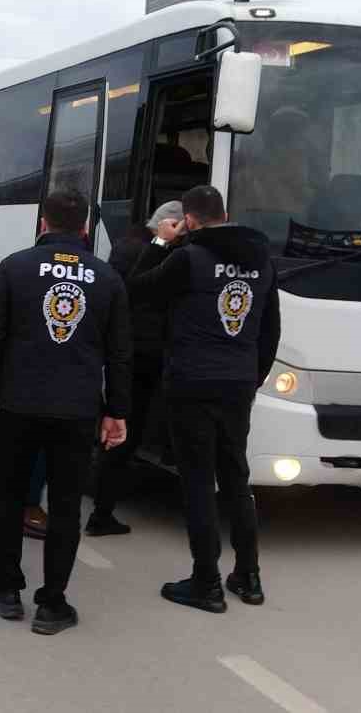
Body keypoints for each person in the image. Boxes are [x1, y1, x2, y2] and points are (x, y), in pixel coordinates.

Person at [0, 189, 131, 634]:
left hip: (19, 404)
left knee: (10, 496)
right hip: (77, 409)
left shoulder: (14, 267)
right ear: (84, 228)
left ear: (43, 223)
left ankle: (6, 589)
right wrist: (116, 410)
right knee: (64, 506)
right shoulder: (107, 277)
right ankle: (52, 604)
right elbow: (120, 354)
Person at [129, 185, 280, 613]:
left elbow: (136, 289)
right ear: (226, 213)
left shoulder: (188, 258)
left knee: (197, 481)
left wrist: (160, 241)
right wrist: (251, 378)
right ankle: (248, 576)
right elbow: (270, 331)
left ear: (189, 220)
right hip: (237, 385)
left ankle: (206, 581)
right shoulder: (262, 261)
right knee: (235, 476)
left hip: (192, 383)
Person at [86, 200, 181, 538]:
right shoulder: (139, 250)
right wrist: (161, 246)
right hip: (136, 354)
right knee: (123, 431)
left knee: (118, 429)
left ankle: (101, 503)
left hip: (132, 353)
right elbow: (133, 290)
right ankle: (101, 511)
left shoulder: (130, 244)